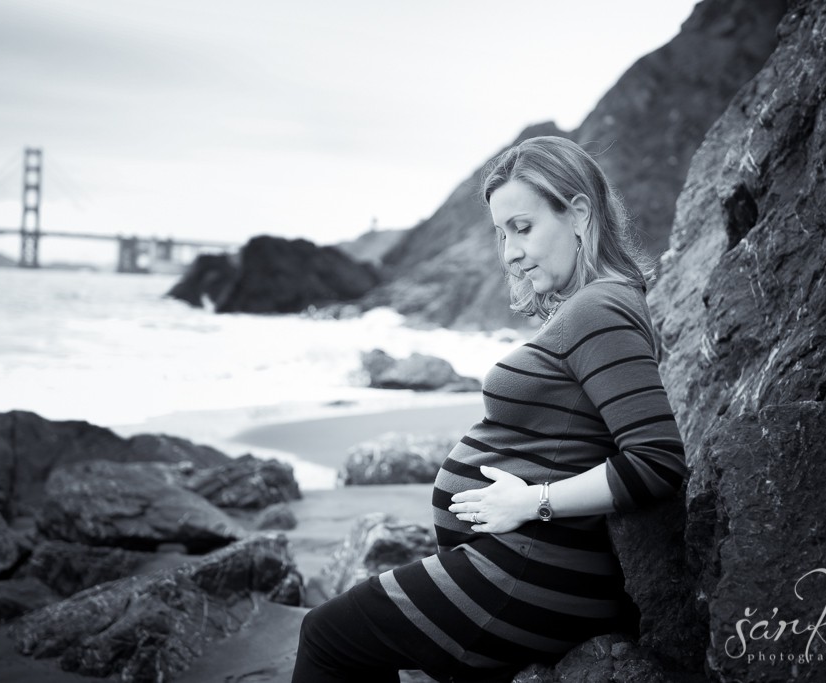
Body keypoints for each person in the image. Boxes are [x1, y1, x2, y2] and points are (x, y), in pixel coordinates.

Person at [291, 136, 688, 683]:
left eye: (522, 228)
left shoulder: (600, 308)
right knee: (351, 637)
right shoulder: (594, 306)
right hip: (522, 571)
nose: (510, 253)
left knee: (328, 636)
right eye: (502, 234)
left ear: (578, 213)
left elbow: (658, 459)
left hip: (533, 575)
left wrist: (535, 500)